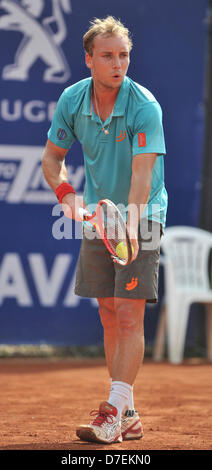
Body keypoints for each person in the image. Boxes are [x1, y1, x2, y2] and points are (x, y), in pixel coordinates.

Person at [42, 15, 167, 444]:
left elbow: (142, 179)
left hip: (142, 215)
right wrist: (67, 195)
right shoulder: (72, 101)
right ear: (89, 61)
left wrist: (128, 228)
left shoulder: (144, 106)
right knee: (109, 312)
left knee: (130, 312)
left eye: (124, 55)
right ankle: (129, 414)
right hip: (99, 215)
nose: (118, 63)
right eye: (108, 56)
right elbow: (51, 158)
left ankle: (113, 410)